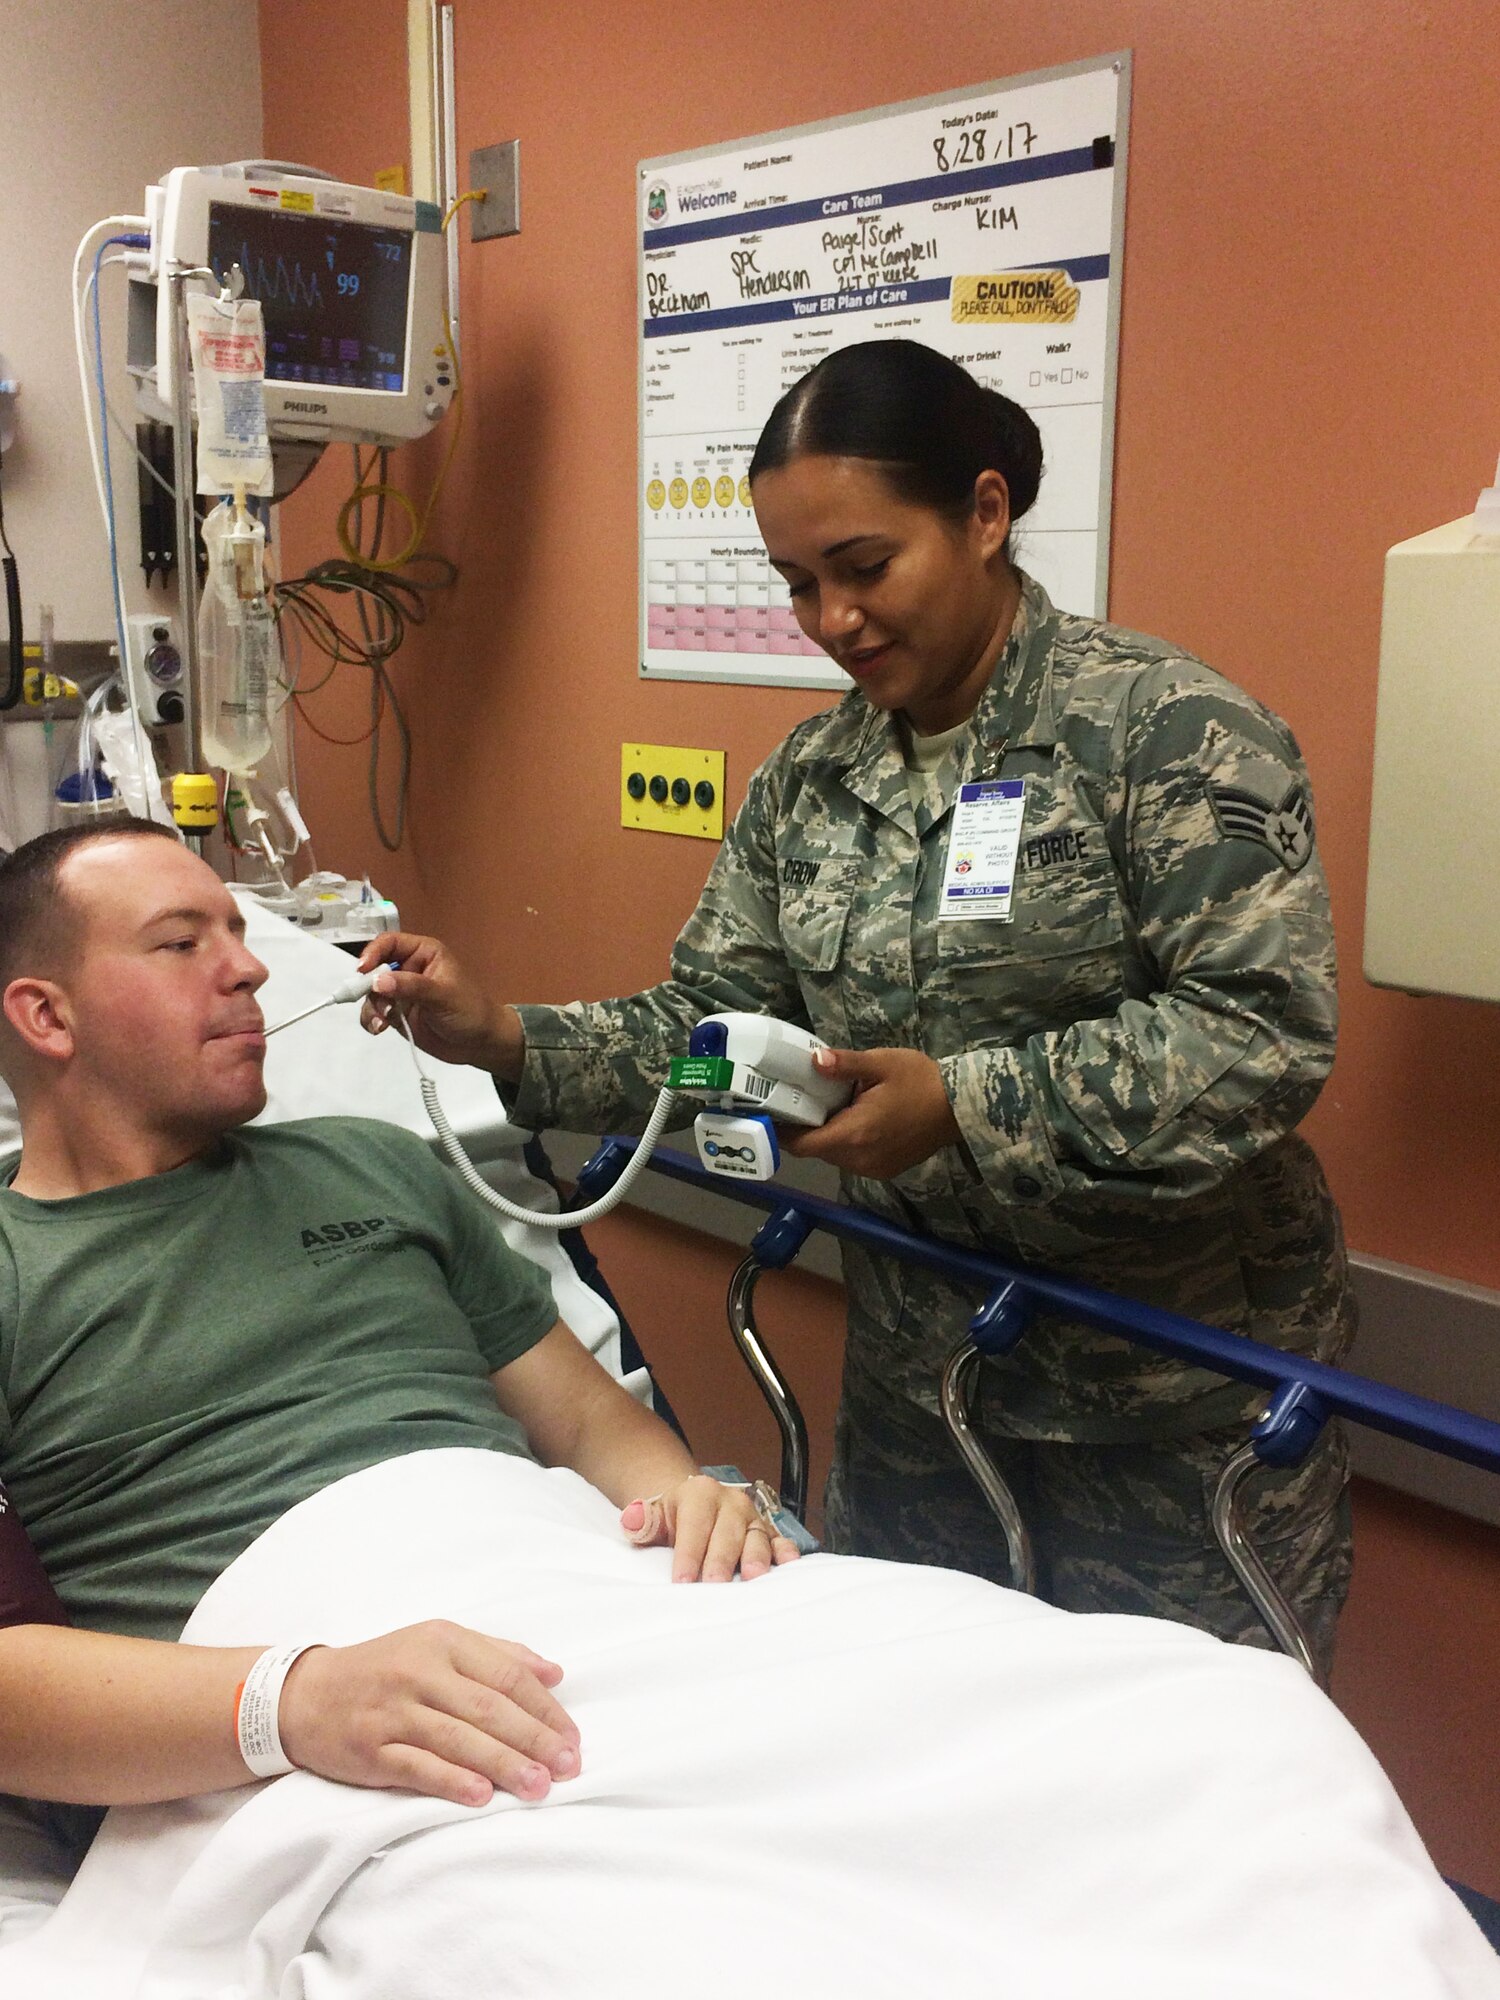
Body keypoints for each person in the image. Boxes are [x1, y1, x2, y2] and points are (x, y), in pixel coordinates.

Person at [359, 338, 1356, 1677]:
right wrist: (504, 1037)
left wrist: (963, 1102)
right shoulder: (810, 781)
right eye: (796, 585)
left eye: (865, 567)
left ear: (985, 513)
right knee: (911, 1747)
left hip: (1168, 1409)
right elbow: (713, 1025)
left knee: (1174, 1790)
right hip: (924, 1395)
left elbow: (1258, 1034)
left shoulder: (1168, 733)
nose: (832, 620)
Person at [0, 819, 797, 1921]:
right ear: (46, 1014)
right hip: (307, 1728)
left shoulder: (372, 1164)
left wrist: (692, 1499)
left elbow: (586, 1425)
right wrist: (295, 1697)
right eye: (183, 942)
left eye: (239, 928)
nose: (251, 964)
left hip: (585, 1613)